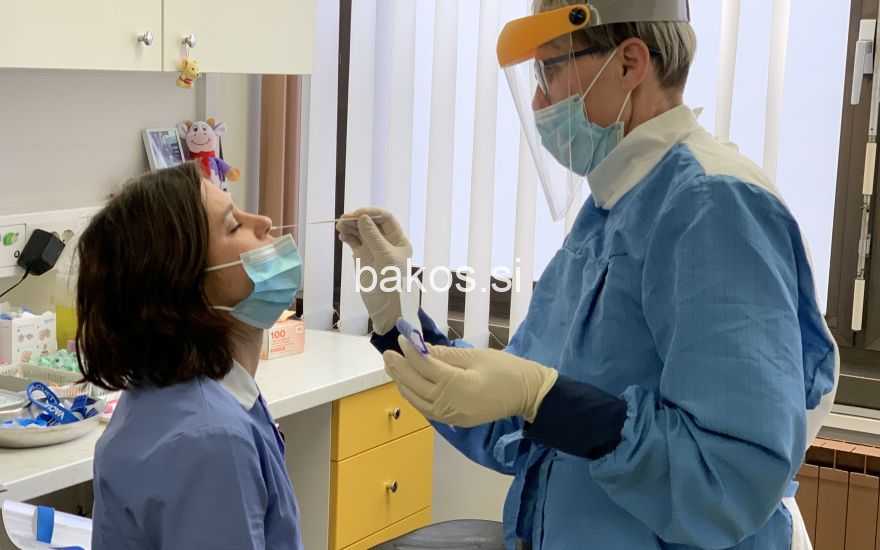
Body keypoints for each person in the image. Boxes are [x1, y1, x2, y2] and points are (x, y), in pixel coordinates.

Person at [338, 1, 839, 549]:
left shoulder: (714, 206)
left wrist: (544, 400)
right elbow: (511, 417)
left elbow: (727, 478)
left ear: (629, 63)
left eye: (549, 70)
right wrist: (396, 312)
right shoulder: (613, 207)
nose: (537, 102)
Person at [76, 162, 303, 549]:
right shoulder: (210, 438)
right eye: (233, 225)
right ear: (186, 284)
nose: (264, 222)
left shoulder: (189, 397)